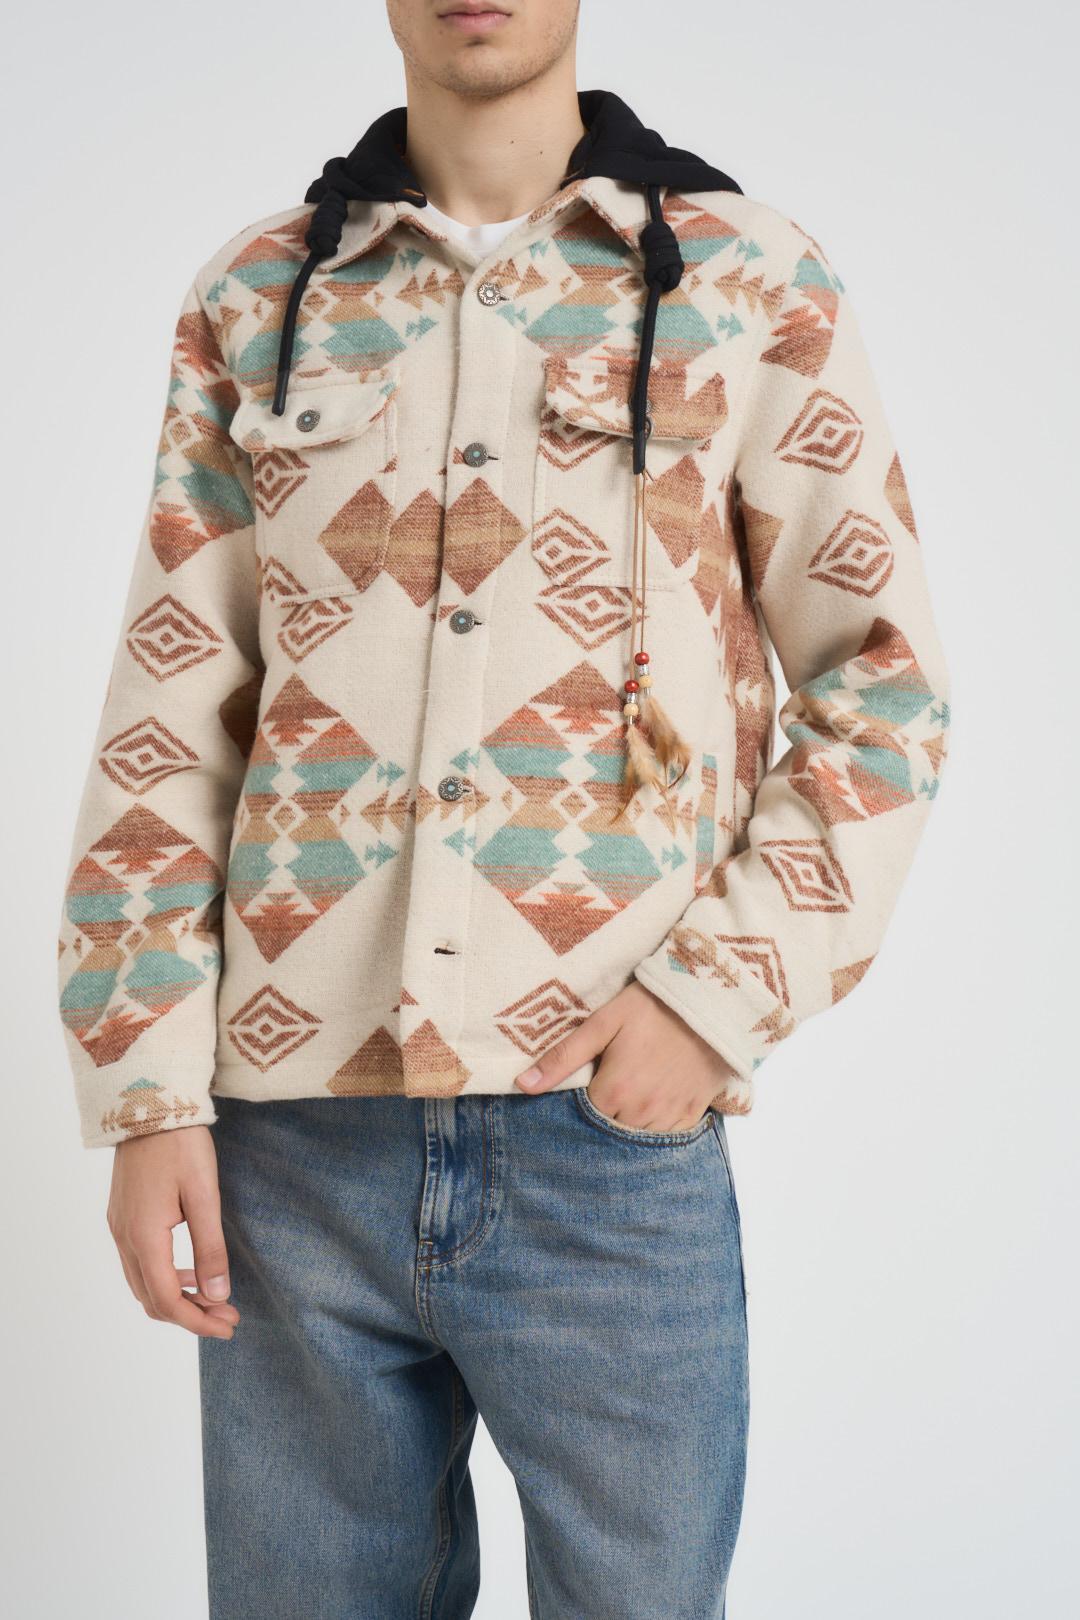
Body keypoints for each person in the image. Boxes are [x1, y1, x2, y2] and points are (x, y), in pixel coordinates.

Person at [55, 1, 952, 1613]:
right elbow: (171, 717)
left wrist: (711, 1004)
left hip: (605, 1138)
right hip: (289, 1153)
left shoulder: (748, 280)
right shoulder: (256, 299)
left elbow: (882, 682)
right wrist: (146, 1092)